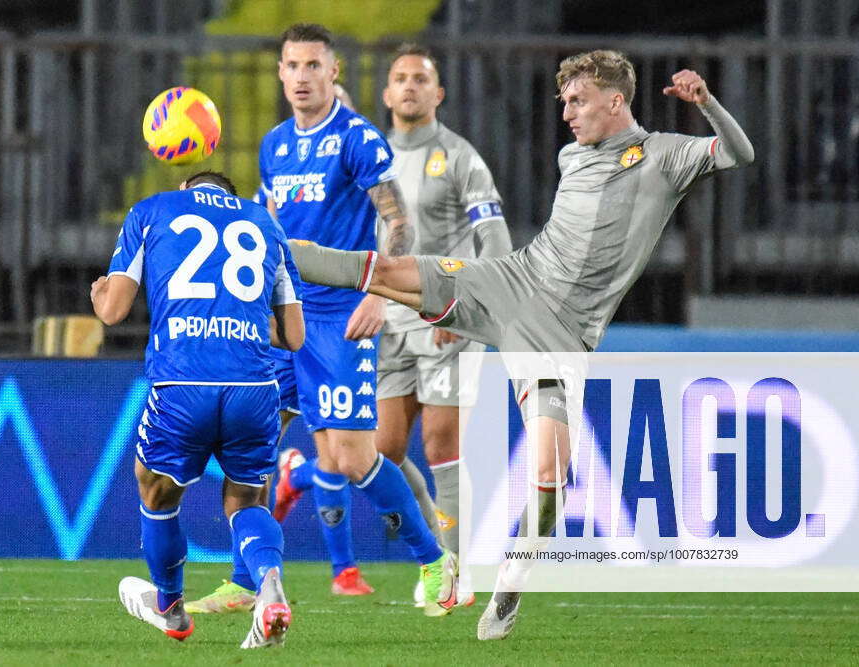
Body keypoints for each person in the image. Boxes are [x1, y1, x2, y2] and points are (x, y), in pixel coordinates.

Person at [284, 50, 754, 639]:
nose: (567, 114)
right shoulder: (571, 155)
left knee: (550, 476)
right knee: (385, 271)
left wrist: (705, 103)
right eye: (563, 102)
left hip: (560, 334)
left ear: (615, 101)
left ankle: (511, 580)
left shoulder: (664, 155)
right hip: (509, 282)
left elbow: (739, 152)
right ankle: (265, 243)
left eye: (577, 101)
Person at [193, 22, 458, 617]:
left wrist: (380, 293)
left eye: (314, 65)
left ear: (333, 72)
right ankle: (244, 579)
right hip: (283, 314)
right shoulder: (275, 144)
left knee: (355, 458)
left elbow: (398, 222)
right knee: (250, 444)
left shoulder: (355, 138)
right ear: (281, 74)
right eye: (292, 66)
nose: (302, 76)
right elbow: (266, 222)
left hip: (341, 315)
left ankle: (434, 559)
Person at [277, 44, 513, 609]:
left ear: (439, 94)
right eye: (400, 78)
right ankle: (306, 477)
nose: (409, 87)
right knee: (371, 450)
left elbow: (495, 237)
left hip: (441, 317)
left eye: (421, 79)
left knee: (441, 442)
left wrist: (473, 304)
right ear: (386, 94)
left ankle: (451, 568)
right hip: (371, 315)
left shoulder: (459, 157)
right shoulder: (365, 152)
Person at [90, 170, 304, 648]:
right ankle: (268, 588)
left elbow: (112, 312)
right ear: (229, 192)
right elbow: (293, 337)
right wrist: (240, 317)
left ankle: (169, 606)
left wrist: (100, 291)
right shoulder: (266, 225)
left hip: (184, 381)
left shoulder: (151, 211)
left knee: (156, 491)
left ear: (189, 188)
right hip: (253, 386)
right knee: (246, 500)